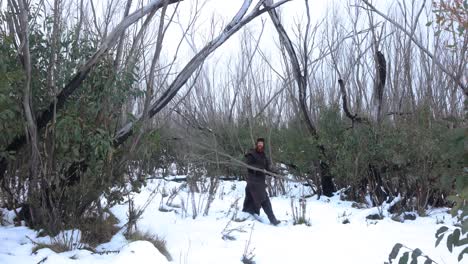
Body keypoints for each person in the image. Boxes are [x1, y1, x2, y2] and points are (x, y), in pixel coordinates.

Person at [242, 138, 280, 225]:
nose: (260, 145)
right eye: (259, 143)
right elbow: (249, 165)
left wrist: (274, 173)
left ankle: (248, 214)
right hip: (253, 181)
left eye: (261, 144)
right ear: (256, 144)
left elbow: (267, 168)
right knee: (264, 199)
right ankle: (272, 219)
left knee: (250, 199)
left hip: (260, 181)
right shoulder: (251, 154)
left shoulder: (263, 156)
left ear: (263, 145)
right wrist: (260, 169)